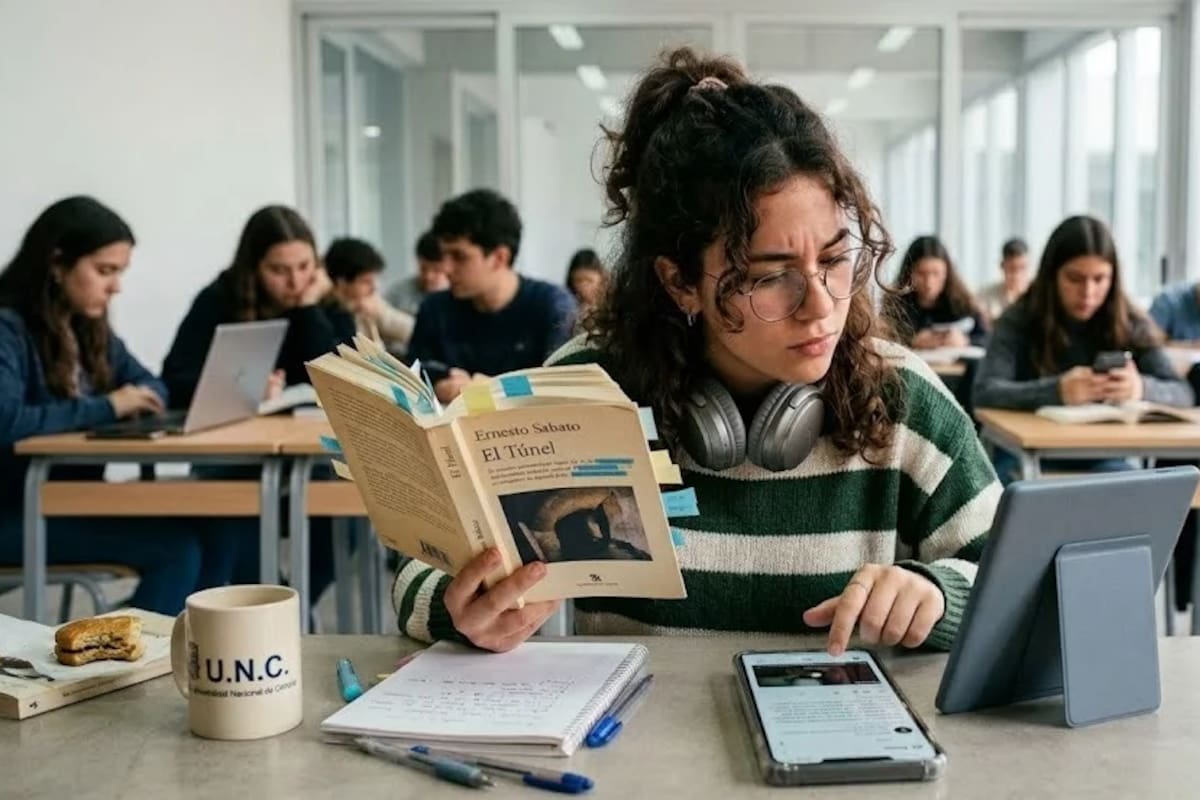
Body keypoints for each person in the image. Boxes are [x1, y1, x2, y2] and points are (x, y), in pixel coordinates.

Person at [392, 48, 999, 655]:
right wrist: (466, 610)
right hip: (634, 743)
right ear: (680, 281)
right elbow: (416, 581)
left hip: (832, 741)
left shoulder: (898, 396)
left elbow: (1024, 579)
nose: (821, 306)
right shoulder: (584, 392)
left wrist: (938, 595)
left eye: (836, 260)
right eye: (769, 276)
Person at [0, 197, 237, 614]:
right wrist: (109, 405)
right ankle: (122, 665)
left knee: (219, 529)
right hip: (13, 511)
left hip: (68, 498)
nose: (116, 287)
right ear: (56, 263)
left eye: (119, 272)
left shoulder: (87, 327)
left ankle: (172, 652)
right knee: (175, 550)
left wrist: (132, 399)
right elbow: (9, 421)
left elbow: (148, 383)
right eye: (105, 271)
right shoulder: (7, 327)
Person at [162, 205, 355, 606]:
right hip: (234, 461)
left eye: (305, 266)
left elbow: (345, 377)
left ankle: (296, 606)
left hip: (312, 460)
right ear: (254, 267)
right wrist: (240, 389)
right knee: (235, 534)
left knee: (348, 521)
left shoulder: (325, 304)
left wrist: (308, 310)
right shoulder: (219, 300)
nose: (295, 280)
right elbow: (175, 380)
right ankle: (270, 608)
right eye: (279, 270)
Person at [973, 215, 1193, 482]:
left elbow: (1183, 392)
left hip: (1103, 457)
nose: (1088, 292)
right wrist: (1057, 391)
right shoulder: (1018, 319)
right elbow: (984, 392)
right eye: (1075, 279)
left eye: (1100, 279)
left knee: (1142, 496)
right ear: (1052, 276)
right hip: (1025, 456)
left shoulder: (1128, 321)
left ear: (1114, 278)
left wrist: (1140, 388)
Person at [407, 189, 578, 403]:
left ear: (499, 258)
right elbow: (413, 376)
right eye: (445, 255)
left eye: (459, 256)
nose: (446, 269)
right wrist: (439, 386)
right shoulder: (434, 309)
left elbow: (560, 392)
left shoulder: (553, 309)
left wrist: (485, 390)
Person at [882, 236, 988, 349]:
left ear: (947, 272)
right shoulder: (894, 302)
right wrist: (911, 341)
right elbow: (881, 340)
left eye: (936, 273)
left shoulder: (963, 301)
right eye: (921, 274)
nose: (929, 283)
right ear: (908, 273)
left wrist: (965, 340)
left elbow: (987, 339)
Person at [324, 237, 414, 351]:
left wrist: (378, 313)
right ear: (341, 282)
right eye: (366, 281)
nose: (374, 287)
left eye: (374, 280)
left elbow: (415, 332)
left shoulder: (368, 302)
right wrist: (349, 310)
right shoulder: (323, 313)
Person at [385, 230, 450, 317]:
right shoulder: (398, 294)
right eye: (423, 268)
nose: (428, 276)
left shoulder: (460, 296)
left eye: (436, 270)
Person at [978, 238, 1031, 322]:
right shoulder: (985, 297)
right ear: (1002, 266)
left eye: (1022, 268)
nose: (1017, 275)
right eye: (1012, 269)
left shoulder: (1039, 296)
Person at [565, 248, 608, 317]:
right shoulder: (564, 305)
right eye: (579, 280)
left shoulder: (612, 304)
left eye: (589, 280)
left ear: (601, 278)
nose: (583, 286)